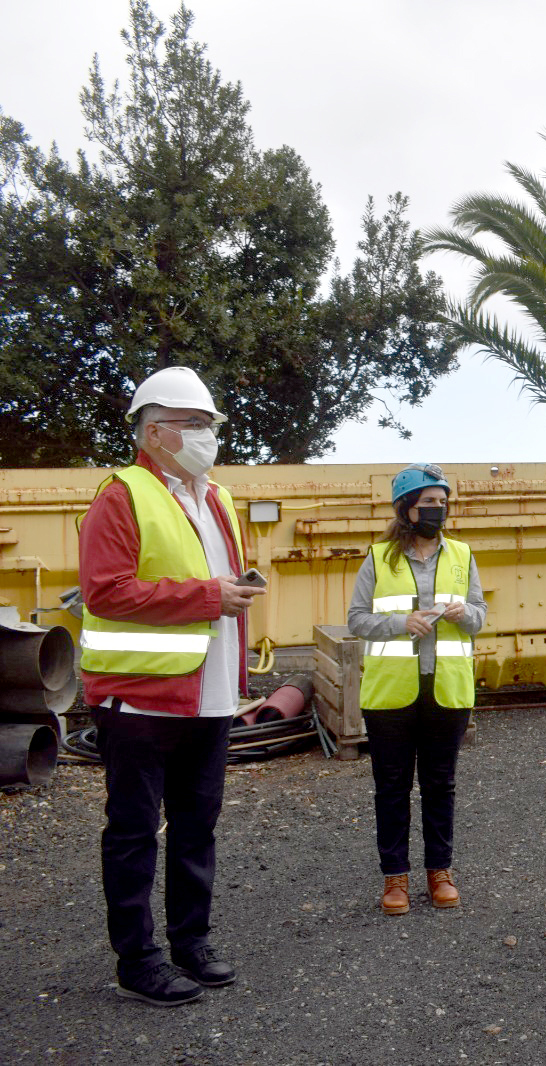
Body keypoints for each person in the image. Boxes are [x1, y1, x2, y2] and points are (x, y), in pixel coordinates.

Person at [78, 366, 264, 1007]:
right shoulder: (121, 495)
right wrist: (211, 595)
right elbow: (108, 590)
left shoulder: (217, 498)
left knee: (196, 827)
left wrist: (234, 590)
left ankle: (191, 942)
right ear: (154, 432)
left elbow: (210, 582)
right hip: (138, 701)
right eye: (197, 425)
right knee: (133, 832)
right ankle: (139, 960)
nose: (209, 436)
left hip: (207, 698)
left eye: (211, 425)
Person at [347, 464, 487, 916]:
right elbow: (356, 620)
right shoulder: (378, 557)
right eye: (428, 503)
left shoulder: (462, 555)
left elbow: (481, 617)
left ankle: (439, 874)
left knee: (440, 785)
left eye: (442, 502)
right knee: (391, 787)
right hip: (391, 696)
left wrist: (463, 614)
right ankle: (395, 880)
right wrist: (398, 623)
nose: (437, 510)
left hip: (447, 691)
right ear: (406, 509)